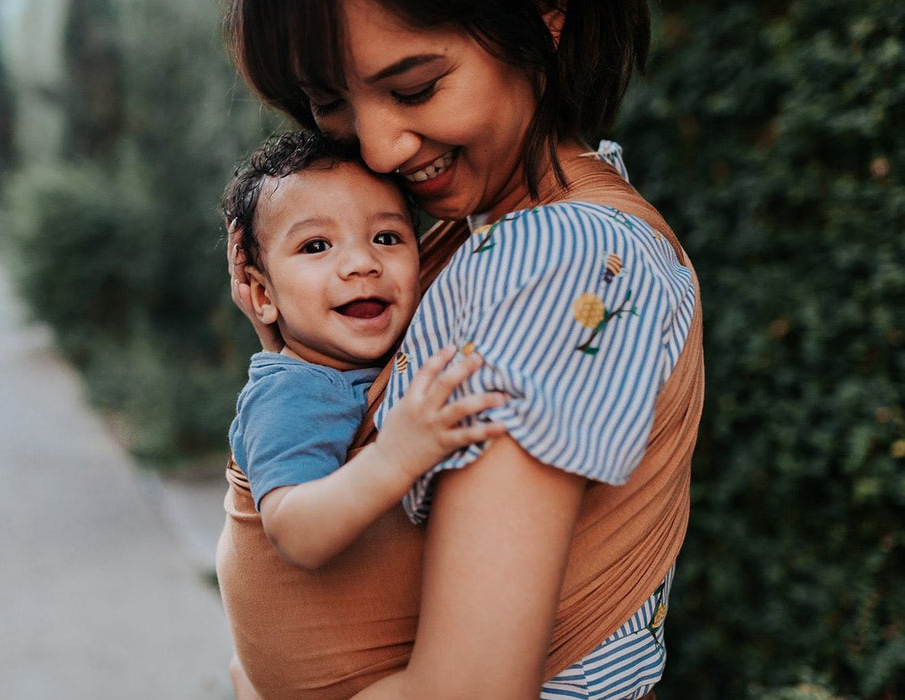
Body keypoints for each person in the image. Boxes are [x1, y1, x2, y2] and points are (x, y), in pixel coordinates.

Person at [216, 1, 705, 698]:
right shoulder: (488, 233)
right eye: (330, 102)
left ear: (546, 14)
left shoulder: (551, 258)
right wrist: (296, 354)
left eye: (414, 88)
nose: (378, 148)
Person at [222, 130, 506, 569]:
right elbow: (294, 533)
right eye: (316, 245)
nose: (363, 263)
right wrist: (395, 456)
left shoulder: (369, 358)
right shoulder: (290, 397)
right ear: (262, 295)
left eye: (387, 238)